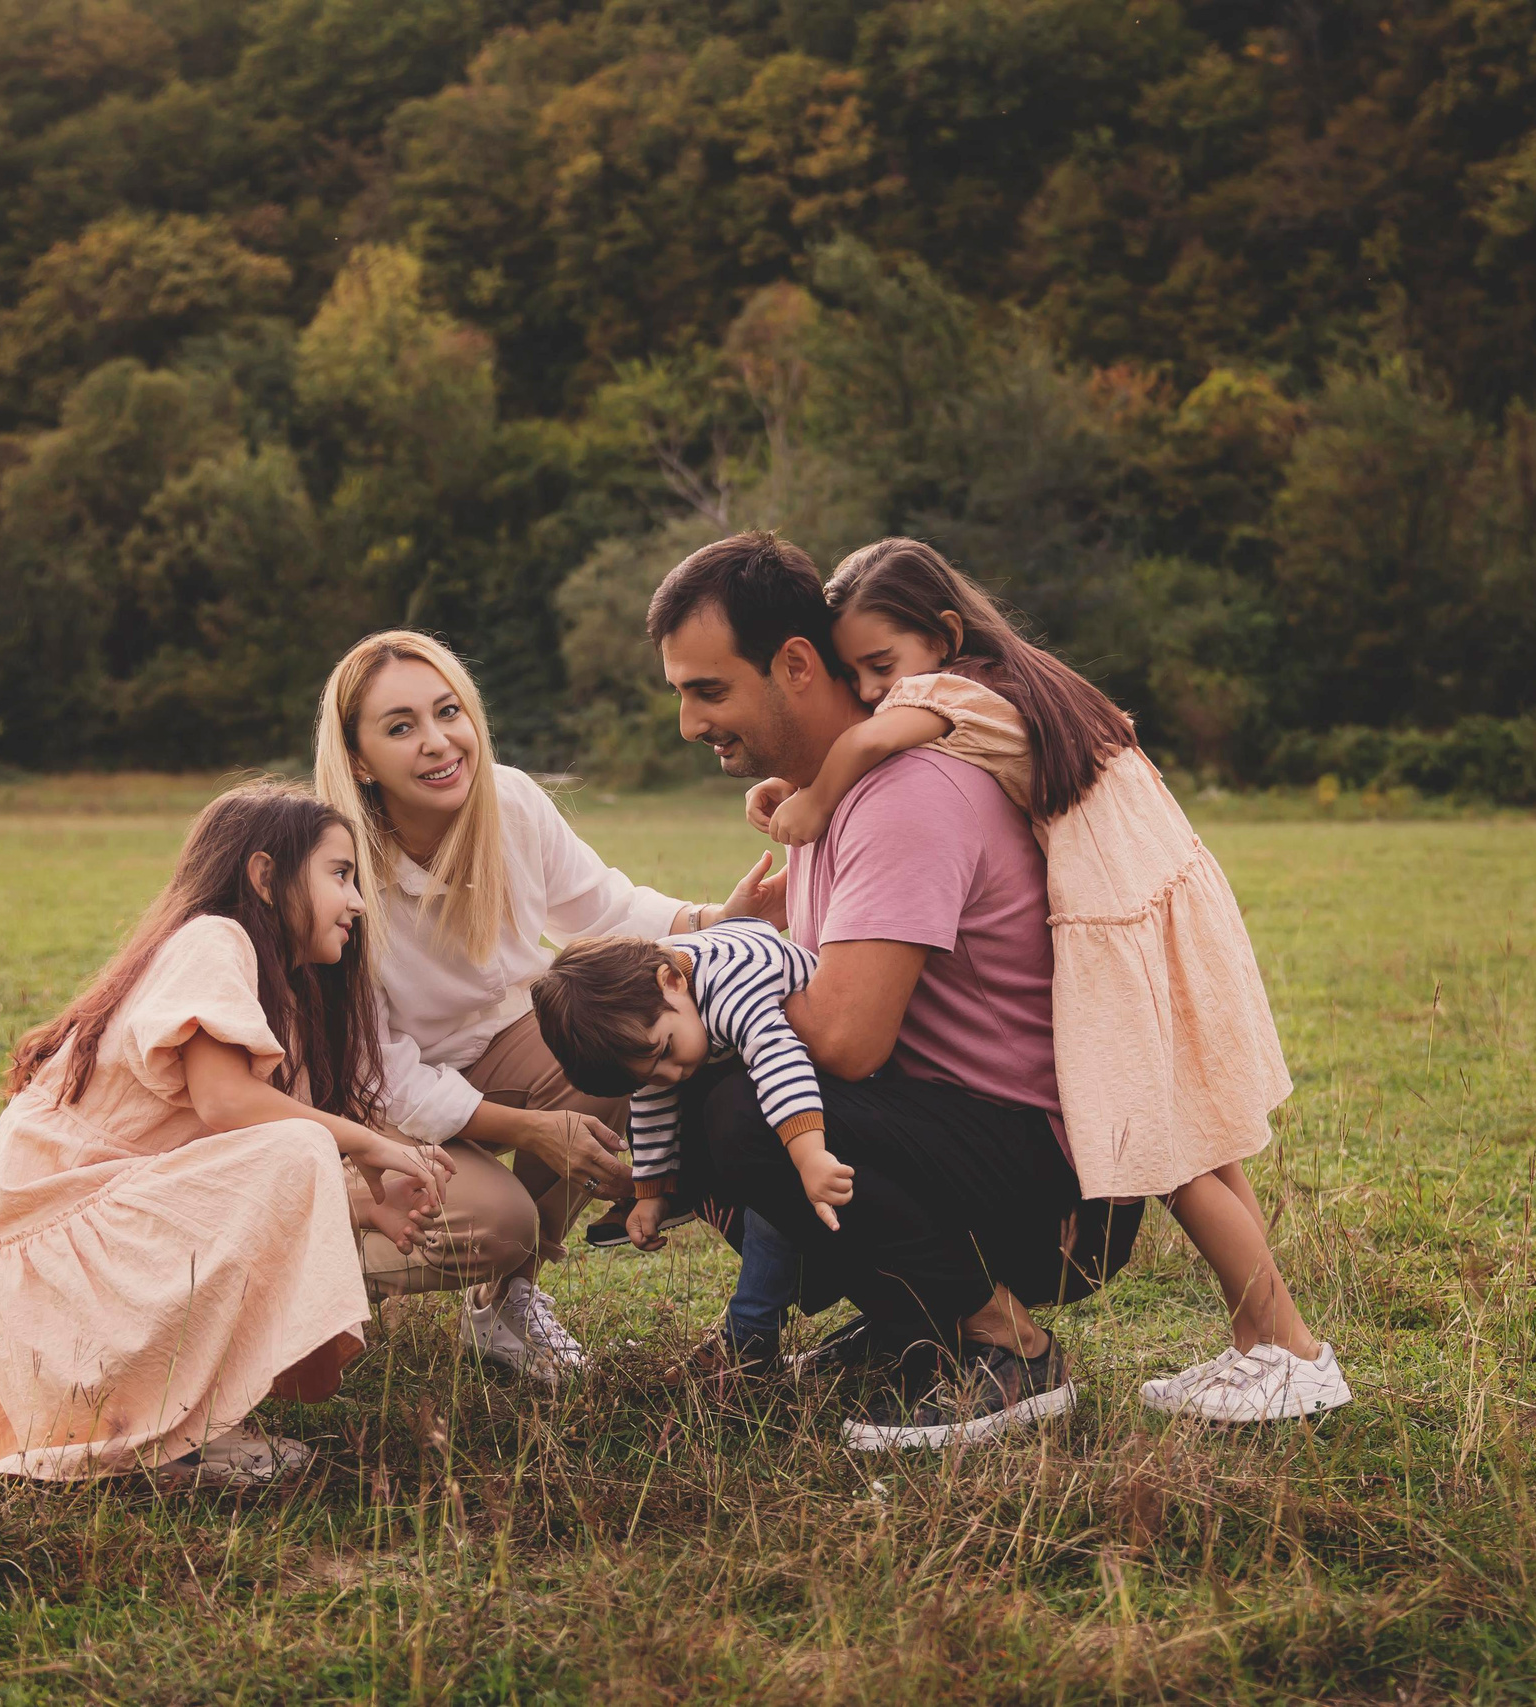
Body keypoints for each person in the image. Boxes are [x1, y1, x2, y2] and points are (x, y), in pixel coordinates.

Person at [744, 537, 1350, 1422]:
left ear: (943, 632)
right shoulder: (1016, 684)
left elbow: (873, 735)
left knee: (1175, 1163)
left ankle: (1292, 1347)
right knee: (1203, 1147)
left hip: (1116, 928)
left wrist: (810, 799)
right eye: (857, 671)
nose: (873, 687)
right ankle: (1264, 1343)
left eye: (881, 662)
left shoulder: (951, 692)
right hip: (1152, 906)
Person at [647, 531, 1143, 1451]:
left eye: (707, 690)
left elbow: (843, 1040)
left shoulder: (907, 792)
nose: (688, 722)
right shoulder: (826, 796)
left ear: (794, 663)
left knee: (745, 1110)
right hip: (961, 1135)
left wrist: (709, 1000)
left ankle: (1008, 1345)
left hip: (1060, 1185)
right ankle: (912, 1326)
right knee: (701, 1087)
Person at [0, 784, 449, 1491]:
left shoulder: (279, 997)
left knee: (296, 1147)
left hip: (86, 1265)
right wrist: (370, 1144)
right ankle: (174, 1442)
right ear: (265, 876)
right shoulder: (215, 937)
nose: (357, 901)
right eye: (338, 873)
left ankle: (175, 1432)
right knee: (301, 1145)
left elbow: (222, 1168)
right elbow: (225, 1105)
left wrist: (364, 1206)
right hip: (58, 1280)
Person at [312, 630, 792, 1383]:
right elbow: (381, 1074)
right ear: (360, 759)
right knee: (495, 1223)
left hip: (494, 1044)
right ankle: (319, 1264)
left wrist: (713, 918)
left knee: (609, 1051)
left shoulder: (506, 800)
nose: (439, 743)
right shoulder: (339, 864)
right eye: (401, 727)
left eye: (448, 712)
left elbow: (601, 908)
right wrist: (531, 1129)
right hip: (377, 1101)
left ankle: (504, 1303)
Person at [529, 921, 852, 1369]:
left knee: (770, 1196)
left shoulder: (732, 988)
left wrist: (810, 1156)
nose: (670, 1075)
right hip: (764, 1073)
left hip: (839, 1082)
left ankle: (749, 1343)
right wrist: (651, 1193)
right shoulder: (658, 1000)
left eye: (664, 1052)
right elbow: (651, 1097)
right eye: (649, 1071)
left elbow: (782, 1061)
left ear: (673, 981)